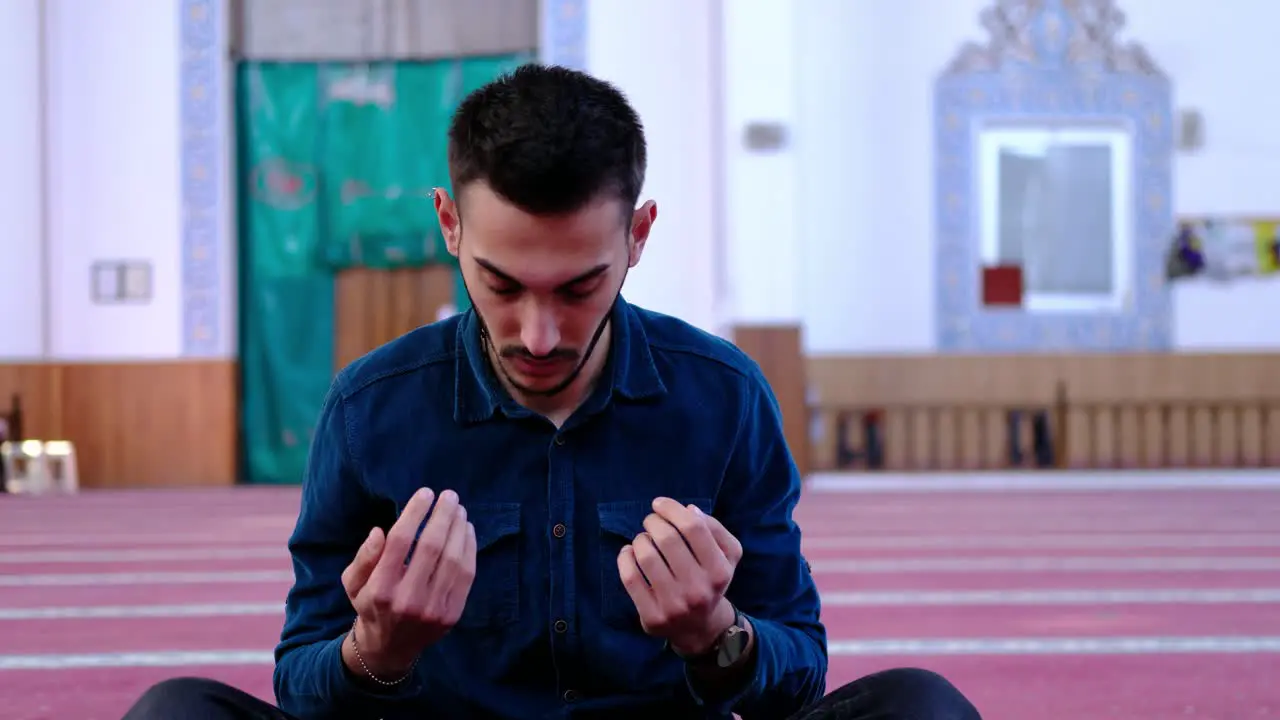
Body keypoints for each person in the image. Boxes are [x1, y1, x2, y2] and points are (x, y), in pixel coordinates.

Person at [122, 64, 981, 720]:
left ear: (637, 237)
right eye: (500, 284)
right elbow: (300, 676)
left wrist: (716, 635)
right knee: (174, 712)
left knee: (922, 705)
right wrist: (375, 651)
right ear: (449, 226)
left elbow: (799, 670)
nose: (538, 334)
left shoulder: (723, 397)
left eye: (577, 287)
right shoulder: (371, 409)